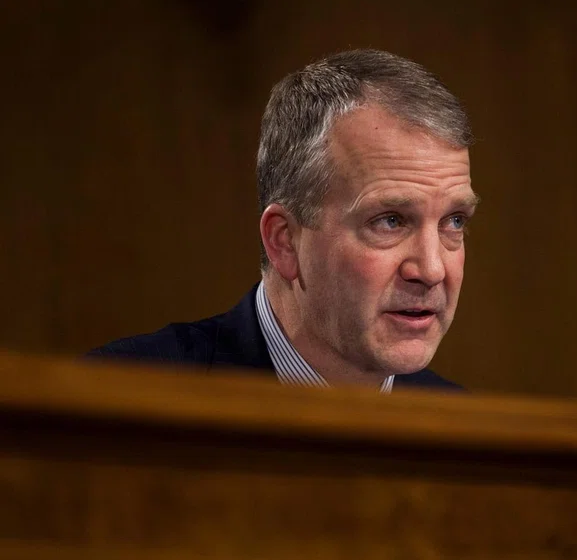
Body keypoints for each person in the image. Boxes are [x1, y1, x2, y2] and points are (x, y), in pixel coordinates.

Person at [88, 49, 478, 392]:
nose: (432, 270)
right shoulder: (123, 397)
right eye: (390, 221)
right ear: (284, 241)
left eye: (454, 221)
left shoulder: (464, 430)